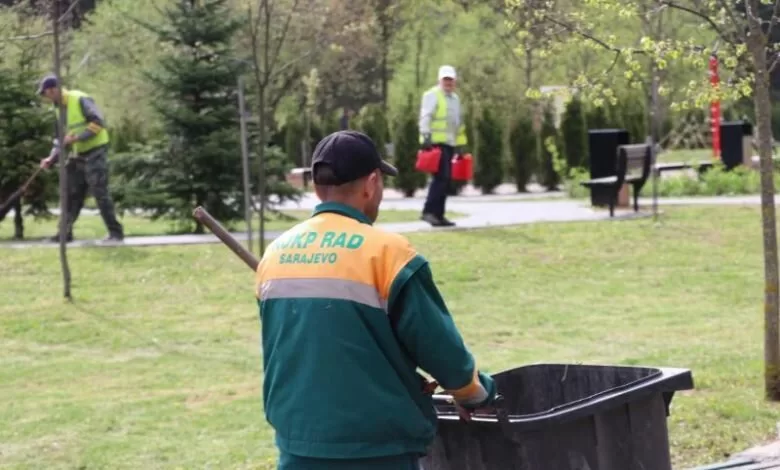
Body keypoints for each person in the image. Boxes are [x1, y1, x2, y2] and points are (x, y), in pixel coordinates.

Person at [255, 130, 498, 470]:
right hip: (377, 450)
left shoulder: (274, 255)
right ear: (371, 183)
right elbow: (441, 351)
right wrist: (476, 394)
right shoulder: (389, 255)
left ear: (316, 188)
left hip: (298, 444)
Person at [37, 74, 124, 243]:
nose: (45, 97)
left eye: (46, 93)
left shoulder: (80, 99)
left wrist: (78, 138)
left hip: (96, 151)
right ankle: (64, 234)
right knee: (70, 194)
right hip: (78, 154)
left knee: (100, 192)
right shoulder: (57, 108)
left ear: (54, 89)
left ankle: (116, 233)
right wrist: (51, 158)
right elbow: (59, 139)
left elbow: (98, 123)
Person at [418, 65, 468, 227]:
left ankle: (439, 215)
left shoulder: (455, 99)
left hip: (449, 143)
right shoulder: (432, 95)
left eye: (451, 79)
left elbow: (458, 125)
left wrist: (460, 145)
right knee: (440, 179)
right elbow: (426, 116)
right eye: (445, 79)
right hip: (435, 144)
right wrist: (425, 137)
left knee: (445, 180)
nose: (448, 82)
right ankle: (429, 212)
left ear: (455, 81)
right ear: (440, 80)